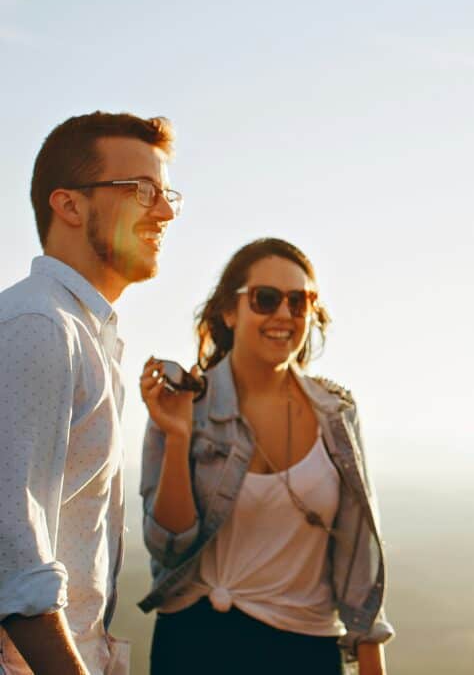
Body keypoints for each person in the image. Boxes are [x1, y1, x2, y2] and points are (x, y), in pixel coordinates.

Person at [138, 238, 393, 675]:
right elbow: (168, 546)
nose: (283, 315)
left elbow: (358, 563)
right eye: (266, 299)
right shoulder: (185, 403)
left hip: (304, 651)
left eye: (300, 302)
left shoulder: (337, 415)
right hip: (194, 646)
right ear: (229, 311)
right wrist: (177, 437)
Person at [0, 112, 179, 675]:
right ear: (69, 205)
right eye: (141, 190)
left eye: (167, 192)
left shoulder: (87, 336)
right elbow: (11, 550)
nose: (166, 211)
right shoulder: (40, 325)